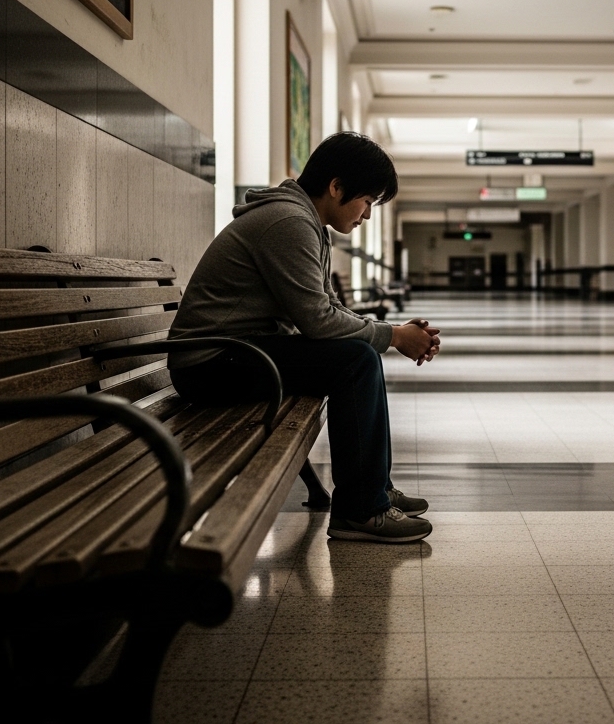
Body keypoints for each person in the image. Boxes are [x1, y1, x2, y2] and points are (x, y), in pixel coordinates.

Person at [166, 132, 439, 543]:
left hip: (237, 353)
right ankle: (361, 510)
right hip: (210, 363)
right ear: (336, 187)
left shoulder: (305, 222)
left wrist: (393, 332)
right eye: (367, 201)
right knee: (356, 361)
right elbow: (318, 322)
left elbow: (327, 306)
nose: (367, 215)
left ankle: (373, 489)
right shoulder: (289, 223)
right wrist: (393, 336)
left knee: (358, 356)